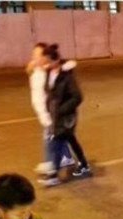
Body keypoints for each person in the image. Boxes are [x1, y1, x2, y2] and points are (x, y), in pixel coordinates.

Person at [39, 44, 91, 186]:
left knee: (56, 141)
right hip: (56, 115)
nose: (45, 63)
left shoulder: (66, 76)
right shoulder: (49, 72)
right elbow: (49, 91)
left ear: (55, 60)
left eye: (47, 61)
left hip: (67, 117)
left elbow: (77, 97)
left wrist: (62, 109)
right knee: (71, 140)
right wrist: (49, 107)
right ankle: (84, 164)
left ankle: (53, 174)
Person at [27, 42, 74, 176]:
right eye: (34, 54)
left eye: (38, 55)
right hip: (42, 111)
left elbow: (64, 67)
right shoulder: (36, 70)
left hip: (50, 113)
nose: (35, 57)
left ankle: (50, 167)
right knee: (57, 137)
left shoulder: (49, 71)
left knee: (49, 138)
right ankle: (66, 157)